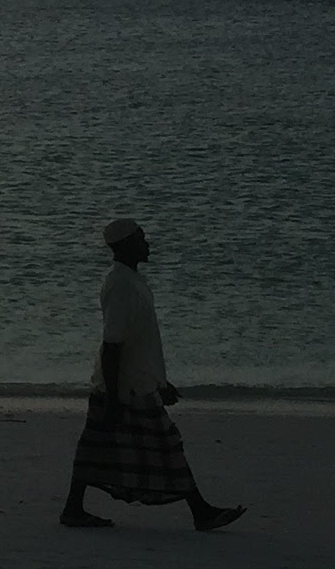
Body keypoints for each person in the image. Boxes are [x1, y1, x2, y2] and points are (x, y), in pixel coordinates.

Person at [64, 218, 243, 531]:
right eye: (141, 239)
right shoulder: (120, 284)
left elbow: (140, 343)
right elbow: (113, 344)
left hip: (132, 382)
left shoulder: (131, 280)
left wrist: (160, 382)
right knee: (164, 445)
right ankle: (201, 511)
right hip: (125, 386)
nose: (147, 244)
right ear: (126, 245)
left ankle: (73, 508)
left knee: (97, 448)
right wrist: (117, 395)